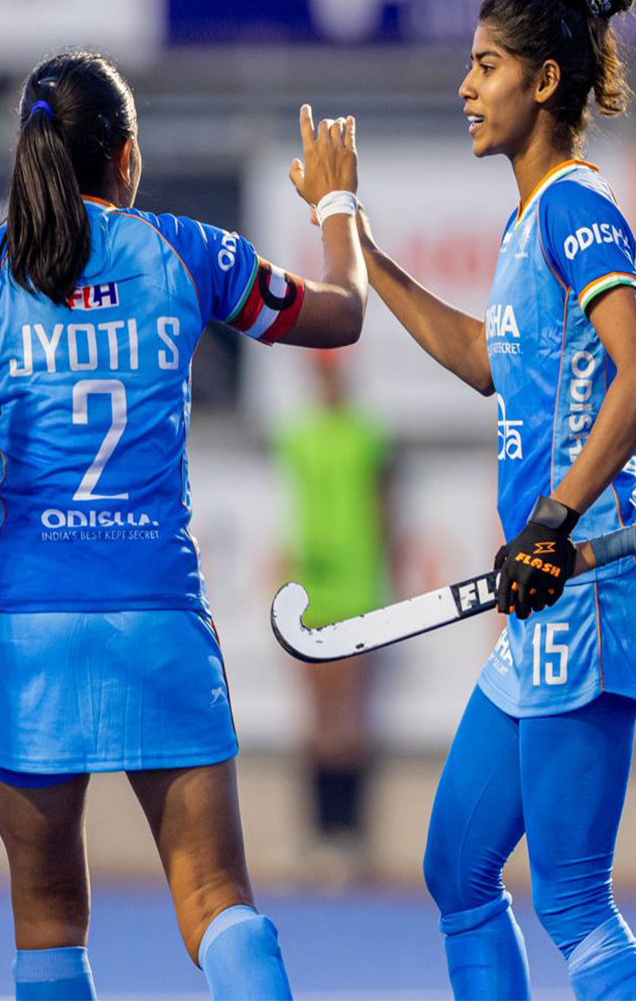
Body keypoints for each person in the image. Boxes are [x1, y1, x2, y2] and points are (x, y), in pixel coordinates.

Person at [0, 49, 367, 1000]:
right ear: (128, 157)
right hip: (157, 616)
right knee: (218, 898)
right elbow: (341, 315)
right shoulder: (187, 251)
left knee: (49, 924)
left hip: (30, 630)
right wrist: (336, 209)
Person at [350, 0, 636, 1000]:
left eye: (485, 65)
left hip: (588, 577)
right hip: (549, 589)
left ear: (542, 82)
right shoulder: (527, 222)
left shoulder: (577, 212)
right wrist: (354, 241)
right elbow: (488, 361)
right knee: (456, 868)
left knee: (574, 901)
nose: (464, 86)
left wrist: (552, 514)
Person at [271, 348, 393, 884]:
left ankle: (347, 836)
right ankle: (321, 835)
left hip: (354, 587)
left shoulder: (367, 438)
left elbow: (383, 510)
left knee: (348, 720)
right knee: (317, 721)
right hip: (311, 587)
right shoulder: (298, 437)